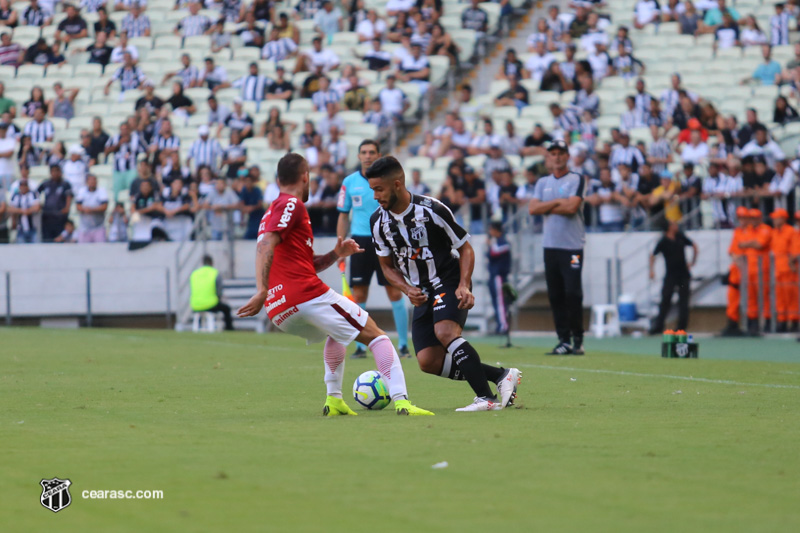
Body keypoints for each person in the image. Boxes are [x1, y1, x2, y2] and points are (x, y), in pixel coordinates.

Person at [236, 153, 432, 417]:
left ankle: (334, 399)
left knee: (336, 332)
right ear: (305, 177)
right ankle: (402, 401)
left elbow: (305, 263)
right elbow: (265, 244)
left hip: (279, 309)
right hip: (302, 296)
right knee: (378, 336)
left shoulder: (271, 211)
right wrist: (261, 289)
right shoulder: (291, 204)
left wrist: (336, 255)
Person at [366, 155, 521, 412]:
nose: (375, 196)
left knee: (446, 333)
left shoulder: (432, 210)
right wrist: (407, 288)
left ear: (397, 184)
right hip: (421, 293)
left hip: (447, 281)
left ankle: (486, 398)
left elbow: (466, 248)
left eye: (379, 189)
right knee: (428, 361)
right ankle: (501, 376)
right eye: (372, 190)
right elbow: (386, 266)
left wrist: (464, 285)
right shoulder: (378, 222)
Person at [335, 140, 409, 358]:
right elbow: (343, 214)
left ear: (378, 155)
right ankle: (360, 346)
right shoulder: (349, 182)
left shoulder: (389, 182)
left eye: (371, 152)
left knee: (395, 291)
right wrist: (340, 243)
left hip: (386, 239)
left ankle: (404, 345)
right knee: (359, 293)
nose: (367, 156)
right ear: (358, 156)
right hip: (360, 242)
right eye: (364, 152)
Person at [528, 140, 586, 355]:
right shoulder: (543, 182)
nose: (557, 157)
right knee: (555, 294)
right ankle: (563, 340)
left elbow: (572, 207)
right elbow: (533, 209)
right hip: (550, 246)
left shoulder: (576, 179)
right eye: (553, 153)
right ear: (548, 157)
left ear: (567, 156)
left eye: (561, 153)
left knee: (572, 292)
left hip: (572, 246)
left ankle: (577, 339)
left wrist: (548, 206)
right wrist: (557, 202)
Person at [648, 221, 698, 334]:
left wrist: (692, 262)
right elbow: (653, 255)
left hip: (683, 275)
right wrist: (652, 270)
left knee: (683, 300)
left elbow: (694, 246)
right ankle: (658, 325)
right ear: (669, 228)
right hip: (671, 275)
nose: (676, 226)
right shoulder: (663, 241)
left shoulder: (680, 237)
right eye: (673, 225)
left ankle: (681, 327)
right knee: (665, 299)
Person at [721, 206, 750, 336]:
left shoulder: (751, 231)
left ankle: (749, 324)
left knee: (750, 299)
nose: (741, 220)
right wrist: (737, 260)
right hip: (736, 269)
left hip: (749, 269)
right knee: (732, 297)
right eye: (740, 218)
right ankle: (732, 324)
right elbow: (732, 251)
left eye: (743, 217)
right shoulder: (737, 231)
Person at [769, 209, 798, 332]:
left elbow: (795, 249)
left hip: (789, 270)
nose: (774, 220)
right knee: (780, 297)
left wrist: (791, 263)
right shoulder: (774, 232)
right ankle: (782, 321)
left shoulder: (791, 231)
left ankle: (794, 321)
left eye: (776, 218)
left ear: (783, 218)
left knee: (791, 296)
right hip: (778, 270)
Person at [190, 255, 234, 331]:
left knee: (200, 313)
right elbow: (219, 291)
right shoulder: (215, 273)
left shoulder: (194, 274)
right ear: (212, 263)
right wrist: (219, 298)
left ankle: (199, 326)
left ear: (202, 263)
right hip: (211, 304)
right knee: (226, 309)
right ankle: (229, 329)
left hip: (195, 305)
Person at [487, 221, 512, 335]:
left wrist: (490, 244)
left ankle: (503, 326)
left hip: (499, 276)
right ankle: (500, 324)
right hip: (493, 275)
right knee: (496, 301)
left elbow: (495, 252)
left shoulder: (503, 242)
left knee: (500, 301)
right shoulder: (496, 242)